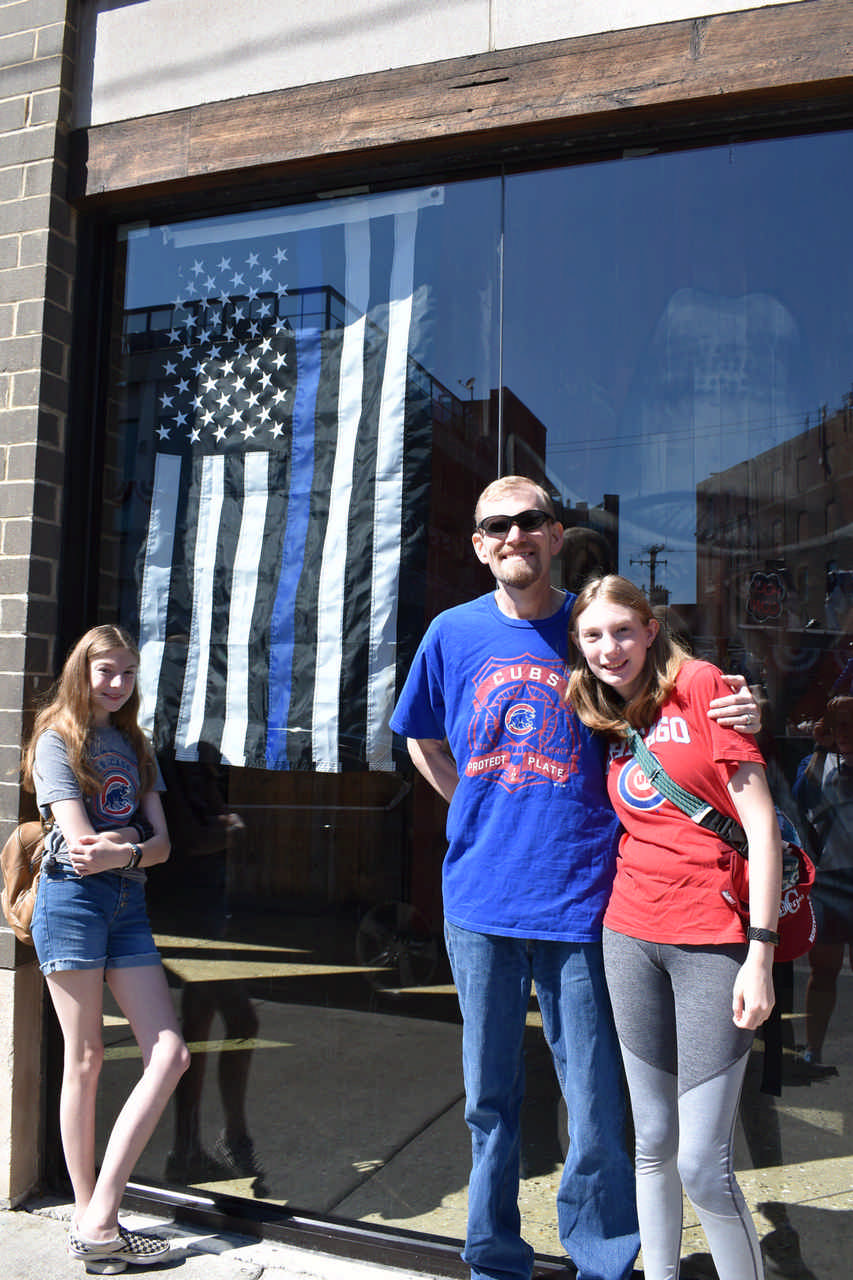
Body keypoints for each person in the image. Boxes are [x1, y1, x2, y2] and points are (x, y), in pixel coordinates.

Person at [390, 477, 761, 1280]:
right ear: (478, 543)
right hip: (480, 902)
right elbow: (421, 737)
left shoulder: (590, 630)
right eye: (497, 524)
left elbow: (683, 699)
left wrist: (742, 708)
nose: (514, 534)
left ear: (556, 535)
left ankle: (600, 1258)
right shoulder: (450, 634)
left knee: (593, 1105)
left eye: (531, 520)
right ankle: (493, 1256)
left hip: (585, 903)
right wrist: (474, 807)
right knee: (490, 1101)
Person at [569, 573, 783, 1280]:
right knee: (652, 1140)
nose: (609, 648)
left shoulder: (702, 686)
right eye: (593, 636)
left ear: (649, 628)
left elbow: (760, 827)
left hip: (713, 943)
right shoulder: (601, 704)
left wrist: (760, 955)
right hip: (628, 935)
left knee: (701, 1161)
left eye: (622, 631)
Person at [23, 625, 190, 1273]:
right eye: (106, 671)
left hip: (128, 908)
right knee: (86, 1058)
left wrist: (124, 847)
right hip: (71, 904)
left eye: (126, 673)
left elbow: (164, 845)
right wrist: (131, 845)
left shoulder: (135, 743)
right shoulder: (58, 740)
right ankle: (95, 1221)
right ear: (80, 672)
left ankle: (98, 1217)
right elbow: (81, 848)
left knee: (169, 1053)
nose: (117, 684)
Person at [792, 694, 853, 1076]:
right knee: (824, 969)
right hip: (831, 879)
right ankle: (814, 1047)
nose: (846, 732)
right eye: (838, 724)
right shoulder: (816, 763)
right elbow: (800, 798)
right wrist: (819, 749)